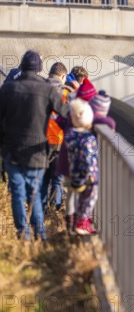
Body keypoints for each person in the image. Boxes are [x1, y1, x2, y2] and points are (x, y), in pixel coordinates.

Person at [0, 51, 69, 241]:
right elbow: (65, 113)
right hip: (37, 152)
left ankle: (23, 233)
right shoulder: (47, 90)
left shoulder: (7, 89)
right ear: (39, 69)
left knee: (17, 193)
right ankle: (40, 233)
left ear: (21, 67)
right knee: (34, 194)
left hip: (11, 151)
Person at [64, 99, 99, 235]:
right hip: (88, 175)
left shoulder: (71, 135)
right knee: (89, 198)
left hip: (74, 173)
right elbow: (87, 159)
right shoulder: (88, 140)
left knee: (79, 200)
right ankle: (82, 224)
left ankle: (80, 223)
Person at [40, 62, 70, 213]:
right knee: (57, 178)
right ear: (63, 76)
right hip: (57, 141)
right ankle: (55, 209)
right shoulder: (65, 91)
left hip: (39, 140)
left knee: (43, 179)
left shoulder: (39, 87)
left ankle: (42, 209)